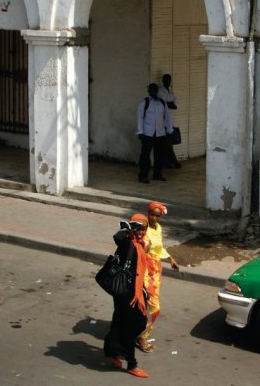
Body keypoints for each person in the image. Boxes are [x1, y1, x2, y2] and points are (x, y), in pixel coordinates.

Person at [104, 214, 151, 378]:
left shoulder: (141, 244)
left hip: (135, 290)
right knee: (129, 326)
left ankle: (113, 352)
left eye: (143, 228)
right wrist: (129, 229)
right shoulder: (127, 242)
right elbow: (117, 236)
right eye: (138, 228)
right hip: (125, 292)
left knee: (130, 322)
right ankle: (132, 364)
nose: (141, 232)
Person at [137, 201, 179, 353]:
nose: (153, 218)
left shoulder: (158, 228)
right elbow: (141, 247)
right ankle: (142, 337)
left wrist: (170, 259)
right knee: (154, 307)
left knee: (146, 305)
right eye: (151, 215)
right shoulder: (144, 229)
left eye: (157, 215)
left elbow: (159, 248)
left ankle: (137, 331)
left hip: (156, 270)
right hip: (146, 270)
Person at [136, 83, 172, 183]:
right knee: (145, 156)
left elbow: (168, 117)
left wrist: (169, 130)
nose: (153, 91)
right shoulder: (144, 102)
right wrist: (140, 132)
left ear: (157, 91)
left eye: (155, 89)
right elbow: (140, 118)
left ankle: (158, 174)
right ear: (149, 91)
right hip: (147, 134)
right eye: (151, 89)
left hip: (160, 133)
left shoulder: (162, 103)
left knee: (160, 155)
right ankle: (143, 175)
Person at [158, 75, 181, 169]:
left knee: (168, 142)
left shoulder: (170, 92)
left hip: (169, 120)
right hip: (162, 121)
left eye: (169, 80)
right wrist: (170, 103)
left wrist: (169, 103)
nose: (168, 81)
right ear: (163, 80)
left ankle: (169, 162)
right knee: (166, 142)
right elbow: (165, 104)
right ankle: (173, 161)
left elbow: (174, 105)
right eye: (166, 80)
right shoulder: (160, 91)